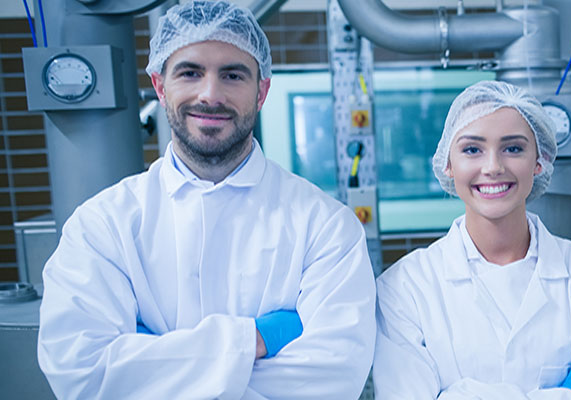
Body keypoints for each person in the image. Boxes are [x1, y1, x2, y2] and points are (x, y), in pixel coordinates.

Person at [36, 1, 375, 398]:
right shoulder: (102, 225)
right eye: (190, 73)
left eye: (232, 75)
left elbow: (331, 379)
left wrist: (151, 355)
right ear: (161, 86)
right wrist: (256, 338)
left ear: (262, 91)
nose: (210, 95)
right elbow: (80, 371)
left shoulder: (326, 228)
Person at [372, 80, 571, 399]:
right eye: (472, 149)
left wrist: (454, 394)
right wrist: (563, 394)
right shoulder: (404, 287)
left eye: (513, 148)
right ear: (448, 165)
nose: (493, 167)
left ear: (539, 161)